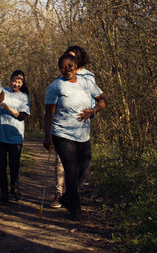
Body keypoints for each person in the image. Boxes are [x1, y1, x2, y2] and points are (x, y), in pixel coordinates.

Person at [43, 54, 107, 221]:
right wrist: (47, 136)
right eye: (62, 67)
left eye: (70, 66)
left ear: (76, 65)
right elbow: (49, 114)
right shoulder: (55, 87)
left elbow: (102, 100)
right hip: (62, 133)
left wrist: (93, 111)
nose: (66, 70)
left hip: (82, 134)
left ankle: (65, 198)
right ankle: (75, 209)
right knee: (70, 170)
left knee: (84, 171)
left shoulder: (86, 83)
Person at [51, 45, 96, 209]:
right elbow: (54, 99)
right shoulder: (60, 76)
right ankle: (59, 193)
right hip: (61, 127)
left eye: (73, 57)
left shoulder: (88, 76)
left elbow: (93, 98)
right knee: (61, 163)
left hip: (81, 127)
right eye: (67, 57)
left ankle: (69, 194)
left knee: (83, 168)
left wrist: (90, 112)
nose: (69, 62)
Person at [0, 70, 30, 202]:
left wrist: (9, 108)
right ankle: (3, 191)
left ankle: (14, 188)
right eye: (14, 81)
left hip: (15, 138)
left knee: (14, 165)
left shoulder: (24, 97)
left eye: (19, 82)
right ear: (10, 80)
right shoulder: (1, 91)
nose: (16, 84)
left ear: (22, 83)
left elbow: (22, 116)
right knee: (1, 166)